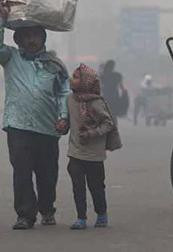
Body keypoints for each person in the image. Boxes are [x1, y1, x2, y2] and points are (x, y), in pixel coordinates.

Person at [0, 4, 70, 230]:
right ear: (19, 40)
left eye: (36, 35)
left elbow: (64, 91)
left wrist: (63, 115)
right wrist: (1, 21)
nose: (32, 40)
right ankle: (25, 214)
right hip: (18, 125)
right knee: (22, 171)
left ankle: (47, 209)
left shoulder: (54, 65)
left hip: (47, 127)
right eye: (27, 36)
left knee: (47, 174)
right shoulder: (11, 58)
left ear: (43, 38)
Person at [66, 63, 114, 229]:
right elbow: (68, 123)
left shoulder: (96, 103)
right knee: (77, 187)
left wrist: (91, 134)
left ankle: (101, 213)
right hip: (75, 152)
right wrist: (60, 125)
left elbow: (108, 124)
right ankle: (81, 218)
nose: (71, 79)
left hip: (94, 155)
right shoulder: (70, 99)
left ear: (86, 82)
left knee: (96, 187)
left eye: (76, 77)